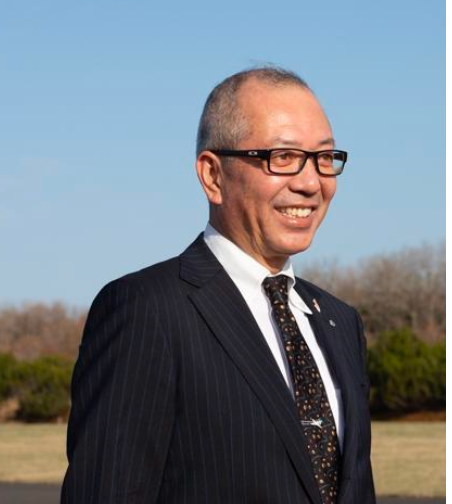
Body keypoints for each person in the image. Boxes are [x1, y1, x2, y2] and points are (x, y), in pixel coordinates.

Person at [61, 67, 376, 504]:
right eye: (283, 157)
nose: (310, 183)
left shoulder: (340, 322)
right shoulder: (148, 309)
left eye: (324, 158)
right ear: (213, 175)